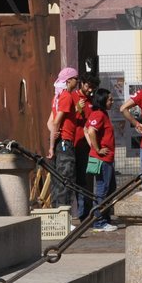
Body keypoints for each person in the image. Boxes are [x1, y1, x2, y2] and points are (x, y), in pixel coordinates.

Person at [46, 68, 88, 219]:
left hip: (59, 141)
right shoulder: (66, 97)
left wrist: (52, 137)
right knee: (65, 181)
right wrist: (52, 144)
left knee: (57, 182)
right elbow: (56, 122)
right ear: (69, 80)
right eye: (76, 78)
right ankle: (62, 220)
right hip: (64, 143)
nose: (78, 81)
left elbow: (49, 123)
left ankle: (57, 218)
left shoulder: (56, 97)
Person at [83, 87, 118, 231]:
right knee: (102, 189)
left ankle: (105, 218)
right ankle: (99, 222)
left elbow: (86, 129)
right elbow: (91, 131)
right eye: (109, 99)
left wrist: (92, 146)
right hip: (102, 159)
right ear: (102, 100)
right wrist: (96, 149)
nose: (112, 101)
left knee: (109, 188)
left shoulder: (100, 114)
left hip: (103, 158)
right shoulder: (98, 114)